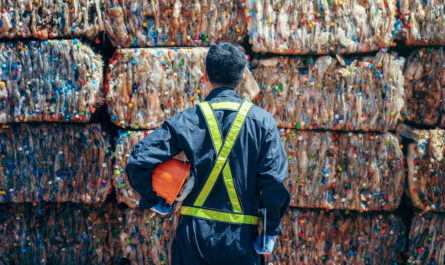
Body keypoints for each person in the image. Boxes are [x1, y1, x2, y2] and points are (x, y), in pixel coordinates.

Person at [125, 42, 290, 265]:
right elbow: (274, 181)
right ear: (242, 79)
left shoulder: (187, 119)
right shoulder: (262, 122)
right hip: (240, 240)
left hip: (193, 239)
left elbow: (138, 160)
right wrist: (270, 231)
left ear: (205, 75)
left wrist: (152, 198)